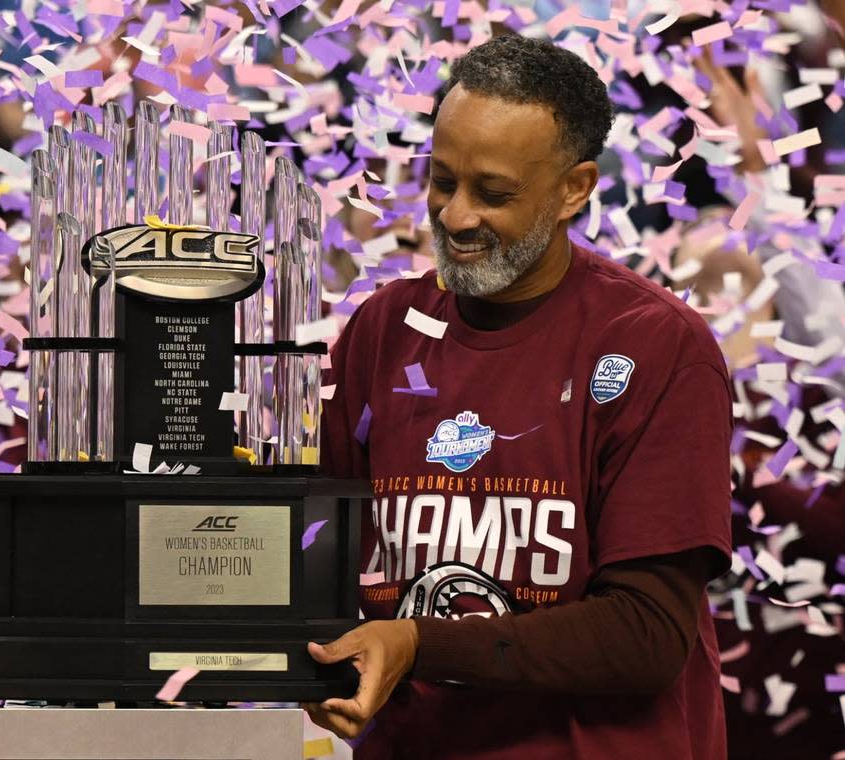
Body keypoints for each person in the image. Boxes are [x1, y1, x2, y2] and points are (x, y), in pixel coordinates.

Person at [309, 35, 734, 759]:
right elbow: (318, 548)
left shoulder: (657, 345)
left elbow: (645, 636)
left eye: (494, 193)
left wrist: (417, 643)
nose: (454, 217)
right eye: (442, 181)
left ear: (575, 188)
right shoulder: (383, 328)